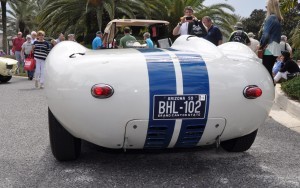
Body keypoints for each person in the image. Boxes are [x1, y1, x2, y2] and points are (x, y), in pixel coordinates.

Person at [259, 0, 283, 81]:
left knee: (266, 72)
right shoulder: (278, 19)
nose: (266, 8)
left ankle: (269, 90)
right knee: (269, 71)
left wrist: (261, 45)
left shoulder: (270, 18)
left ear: (270, 6)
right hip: (275, 48)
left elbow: (265, 35)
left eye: (266, 6)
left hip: (269, 48)